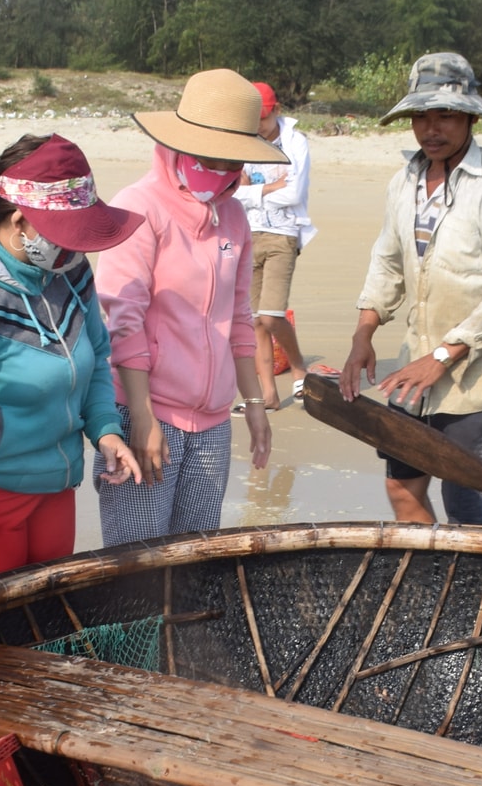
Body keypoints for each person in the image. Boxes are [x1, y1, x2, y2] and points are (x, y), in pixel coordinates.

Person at [0, 135, 144, 592]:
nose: (78, 250)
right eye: (70, 235)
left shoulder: (70, 274)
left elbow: (95, 360)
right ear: (21, 222)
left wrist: (106, 431)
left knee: (50, 619)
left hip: (56, 487)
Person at [340, 52, 482, 526]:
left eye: (445, 115)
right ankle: (433, 582)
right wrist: (363, 333)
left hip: (473, 377)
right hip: (413, 369)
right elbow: (387, 262)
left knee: (465, 498)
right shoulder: (404, 183)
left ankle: (478, 596)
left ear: (469, 116)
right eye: (421, 117)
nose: (431, 128)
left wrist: (443, 356)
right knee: (401, 484)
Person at [93, 68, 283, 546]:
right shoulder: (139, 207)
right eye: (207, 156)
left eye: (230, 160)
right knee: (136, 566)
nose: (219, 169)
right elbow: (123, 322)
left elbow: (239, 319)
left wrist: (255, 403)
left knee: (194, 563)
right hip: (147, 412)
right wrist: (142, 417)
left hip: (214, 426)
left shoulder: (235, 216)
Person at [235, 81, 316, 409]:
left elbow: (294, 194)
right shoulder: (242, 141)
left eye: (263, 118)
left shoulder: (296, 142)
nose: (257, 125)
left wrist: (251, 190)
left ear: (277, 110)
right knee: (253, 319)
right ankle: (267, 393)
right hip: (248, 233)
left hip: (284, 233)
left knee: (271, 315)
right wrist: (269, 188)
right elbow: (232, 192)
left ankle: (299, 369)